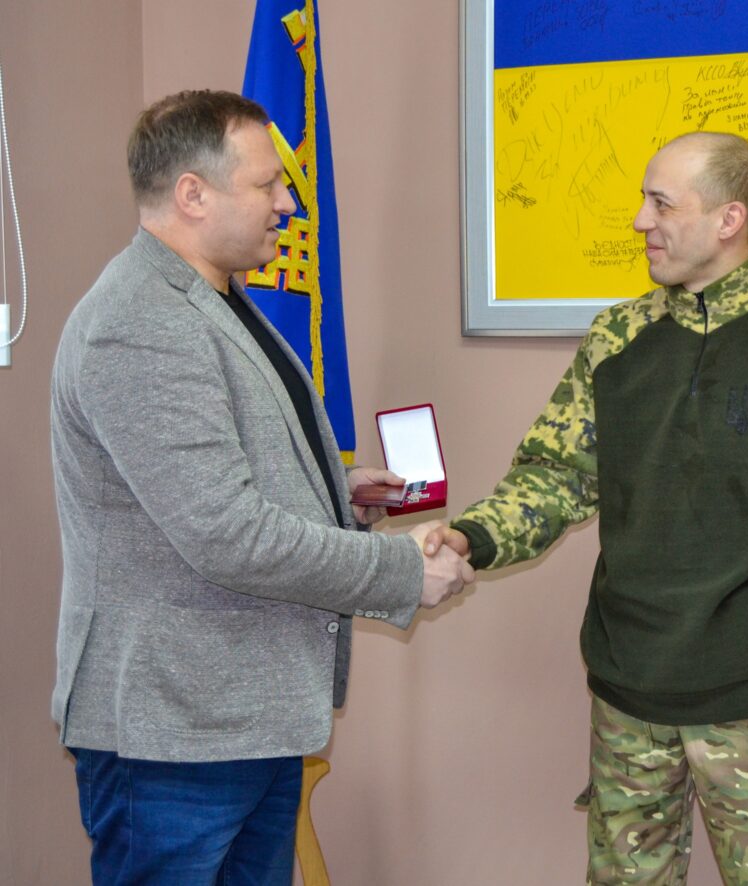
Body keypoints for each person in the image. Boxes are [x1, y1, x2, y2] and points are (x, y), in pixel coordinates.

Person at [426, 131, 748, 884]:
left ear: (729, 219)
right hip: (628, 697)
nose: (641, 220)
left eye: (662, 203)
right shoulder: (618, 335)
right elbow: (556, 475)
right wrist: (473, 537)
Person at [50, 89, 473, 885]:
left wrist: (335, 490)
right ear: (192, 194)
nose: (287, 203)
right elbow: (224, 533)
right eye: (267, 184)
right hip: (175, 735)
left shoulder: (216, 299)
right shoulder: (141, 321)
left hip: (242, 719)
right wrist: (401, 571)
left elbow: (216, 477)